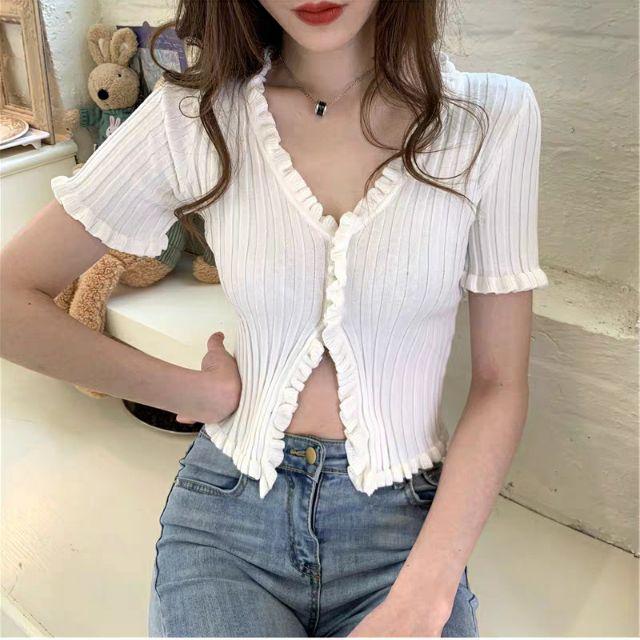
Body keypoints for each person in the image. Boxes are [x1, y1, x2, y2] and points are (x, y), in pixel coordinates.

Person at [0, 0, 549, 636]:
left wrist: (425, 598)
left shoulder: (490, 116)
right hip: (231, 511)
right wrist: (192, 392)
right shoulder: (196, 115)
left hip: (403, 524)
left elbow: (500, 383)